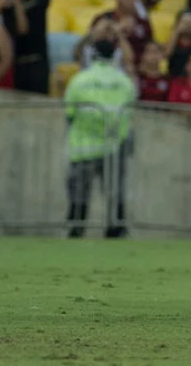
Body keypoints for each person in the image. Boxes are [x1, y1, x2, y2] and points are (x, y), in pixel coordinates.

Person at [64, 38, 137, 239]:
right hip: (114, 146)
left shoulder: (79, 80)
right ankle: (116, 227)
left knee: (79, 191)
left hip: (82, 146)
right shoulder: (124, 82)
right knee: (115, 190)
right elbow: (129, 110)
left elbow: (69, 113)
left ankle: (76, 227)